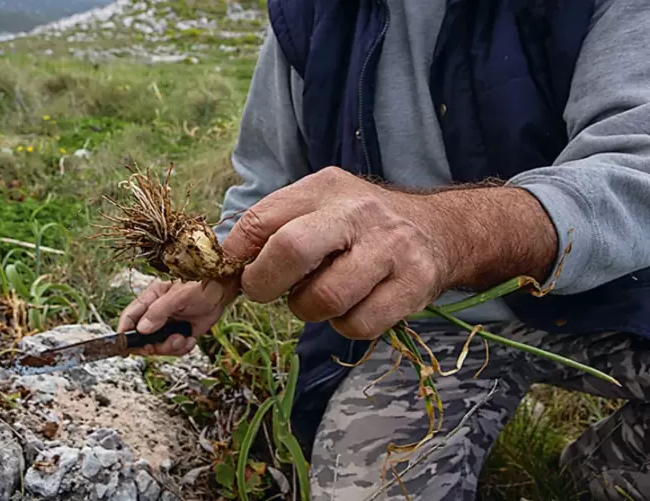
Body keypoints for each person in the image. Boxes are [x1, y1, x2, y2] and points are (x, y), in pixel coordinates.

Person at [117, 0, 650, 499]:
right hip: (418, 330)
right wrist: (220, 274)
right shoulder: (307, 18)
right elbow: (267, 183)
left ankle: (605, 469)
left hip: (610, 292)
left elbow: (635, 163)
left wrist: (448, 231)